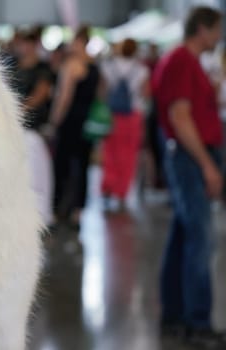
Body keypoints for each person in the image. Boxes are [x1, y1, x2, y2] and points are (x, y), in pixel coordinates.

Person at [153, 6, 225, 348]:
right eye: (217, 30)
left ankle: (174, 315)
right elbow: (180, 117)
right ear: (203, 29)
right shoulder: (182, 60)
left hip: (189, 157)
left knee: (183, 238)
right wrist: (207, 165)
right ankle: (197, 321)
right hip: (189, 159)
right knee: (201, 239)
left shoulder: (185, 61)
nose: (220, 36)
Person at [48, 25, 100, 229]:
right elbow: (100, 94)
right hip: (87, 122)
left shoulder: (72, 65)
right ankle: (78, 210)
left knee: (62, 164)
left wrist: (54, 121)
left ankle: (59, 207)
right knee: (84, 165)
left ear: (80, 41)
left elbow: (64, 97)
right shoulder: (95, 65)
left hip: (70, 122)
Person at [100, 38, 149, 210]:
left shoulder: (108, 67)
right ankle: (122, 192)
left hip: (111, 114)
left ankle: (108, 187)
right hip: (133, 115)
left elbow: (103, 92)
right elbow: (145, 93)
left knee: (110, 152)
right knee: (128, 155)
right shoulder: (141, 70)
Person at [12, 29, 55, 130]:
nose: (26, 47)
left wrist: (18, 111)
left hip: (33, 121)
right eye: (24, 43)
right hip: (14, 117)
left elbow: (40, 94)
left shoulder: (43, 68)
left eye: (29, 44)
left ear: (36, 45)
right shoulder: (14, 64)